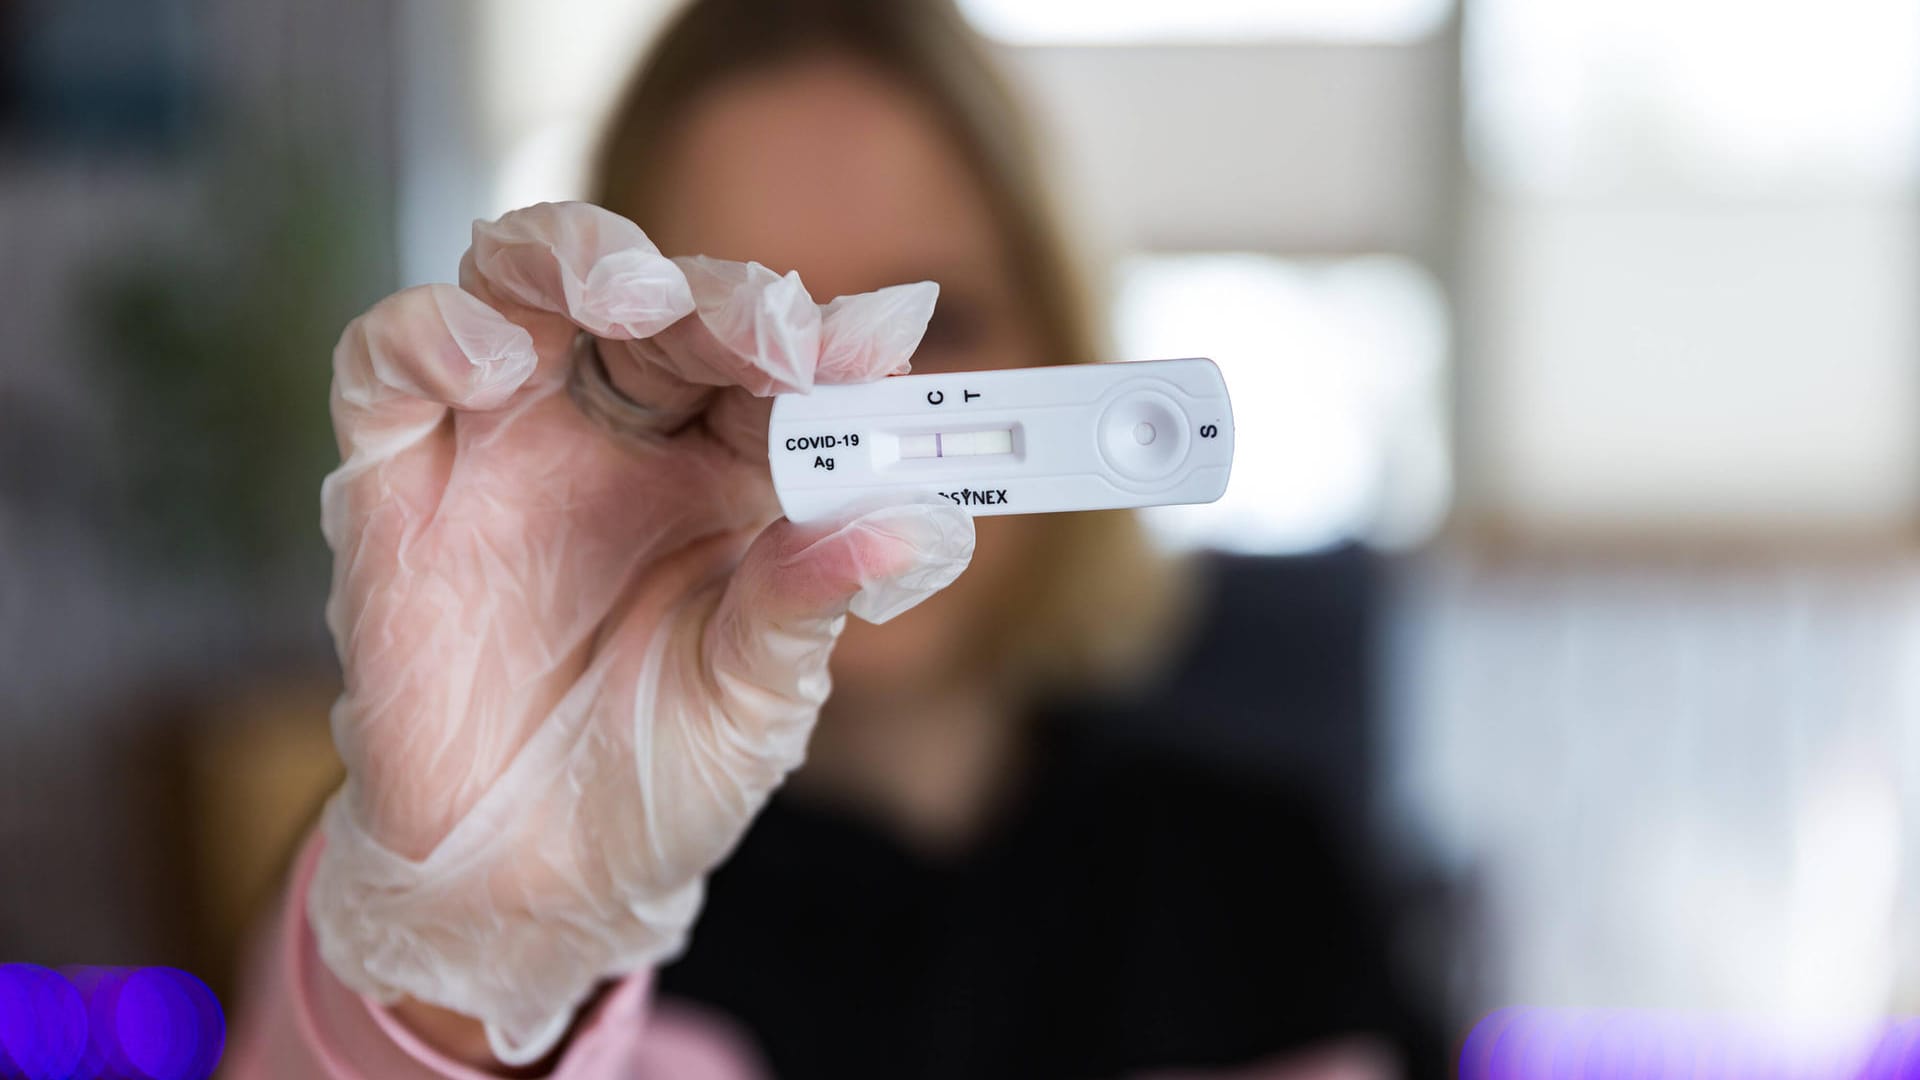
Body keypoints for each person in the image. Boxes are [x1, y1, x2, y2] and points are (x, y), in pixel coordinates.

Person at [226, 0, 1443, 1076]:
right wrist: (462, 988)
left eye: (940, 321)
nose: (872, 420)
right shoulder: (444, 859)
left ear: (1056, 338)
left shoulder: (1270, 888)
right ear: (625, 376)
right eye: (771, 341)